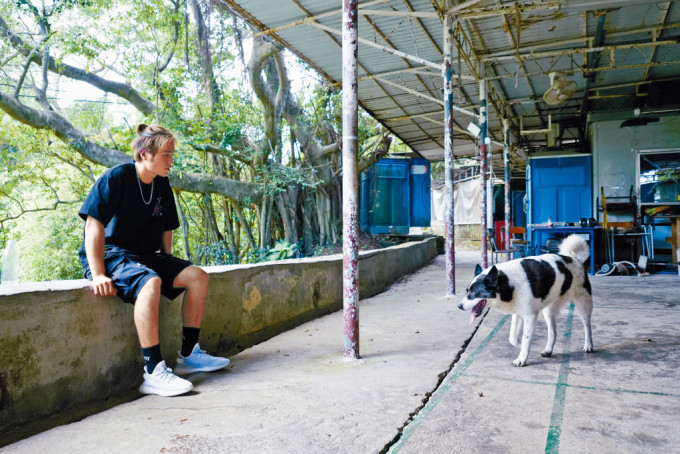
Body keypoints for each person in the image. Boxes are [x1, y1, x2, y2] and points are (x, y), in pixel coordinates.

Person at [78, 124, 229, 397]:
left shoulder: (161, 183)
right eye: (166, 155)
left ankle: (189, 354)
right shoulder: (117, 178)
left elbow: (166, 227)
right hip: (112, 254)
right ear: (145, 154)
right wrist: (98, 273)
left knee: (198, 276)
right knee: (150, 282)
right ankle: (153, 371)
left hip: (146, 255)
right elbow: (93, 225)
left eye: (173, 155)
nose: (171, 161)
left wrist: (169, 264)